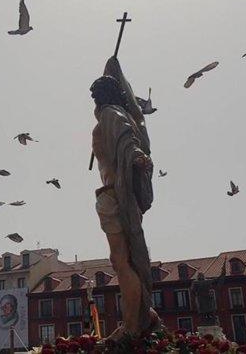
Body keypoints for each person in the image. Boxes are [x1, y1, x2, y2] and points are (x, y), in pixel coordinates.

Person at [90, 57, 158, 340]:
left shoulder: (110, 114)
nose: (93, 101)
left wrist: (137, 156)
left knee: (121, 261)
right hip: (120, 194)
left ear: (100, 97)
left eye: (95, 96)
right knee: (125, 258)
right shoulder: (120, 114)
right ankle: (140, 318)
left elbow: (127, 139)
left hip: (113, 196)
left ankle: (133, 326)